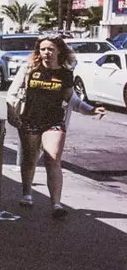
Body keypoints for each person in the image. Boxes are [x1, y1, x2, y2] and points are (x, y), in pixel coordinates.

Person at [6, 35, 107, 218]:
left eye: (50, 49)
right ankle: (27, 193)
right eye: (43, 49)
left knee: (53, 158)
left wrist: (91, 110)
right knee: (30, 159)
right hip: (29, 119)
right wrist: (11, 112)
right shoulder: (29, 69)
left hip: (54, 121)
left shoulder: (65, 74)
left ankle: (56, 204)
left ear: (59, 51)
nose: (46, 53)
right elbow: (12, 93)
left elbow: (72, 100)